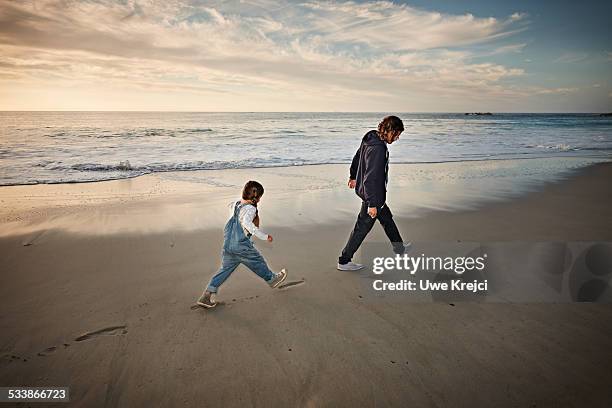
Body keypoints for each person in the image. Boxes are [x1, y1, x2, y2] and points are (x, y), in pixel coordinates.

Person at [197, 180, 287, 308]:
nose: (260, 200)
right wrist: (264, 236)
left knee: (224, 270)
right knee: (258, 261)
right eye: (260, 197)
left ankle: (207, 294)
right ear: (256, 197)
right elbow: (247, 223)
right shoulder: (250, 209)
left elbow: (231, 206)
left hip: (228, 245)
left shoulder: (236, 204)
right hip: (241, 246)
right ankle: (272, 279)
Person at [337, 115, 410, 271]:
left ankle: (400, 249)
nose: (397, 138)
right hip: (373, 196)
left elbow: (357, 157)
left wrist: (353, 175)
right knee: (362, 228)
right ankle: (344, 261)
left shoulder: (371, 137)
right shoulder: (379, 148)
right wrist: (372, 204)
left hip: (374, 195)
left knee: (387, 219)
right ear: (389, 130)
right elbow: (372, 177)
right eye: (396, 134)